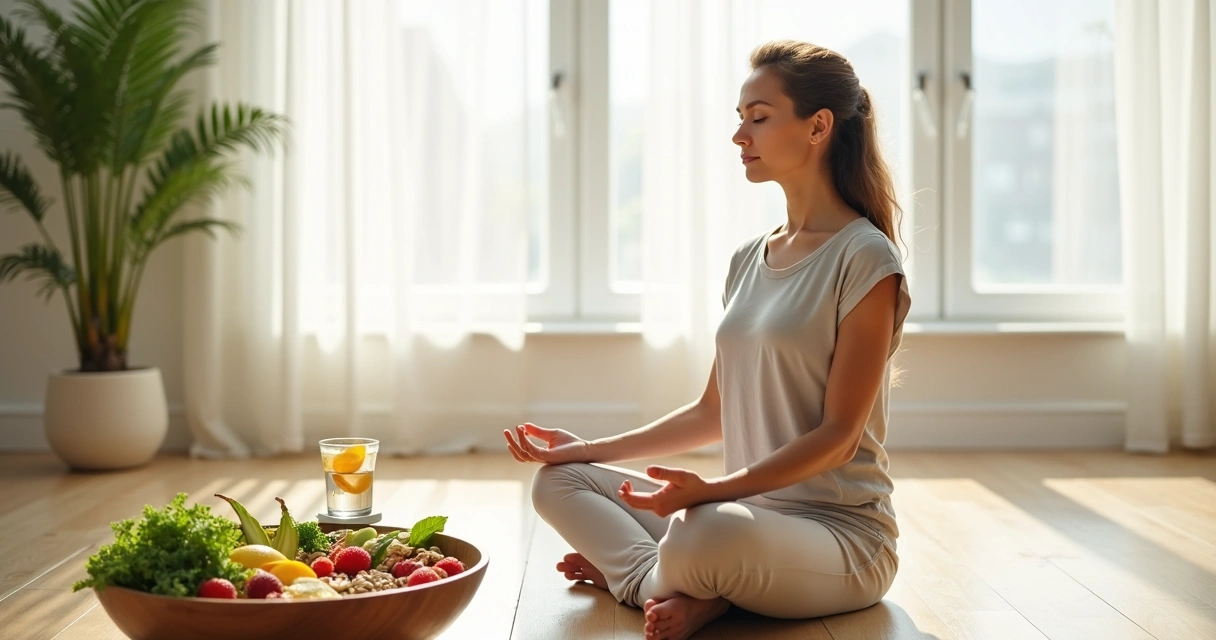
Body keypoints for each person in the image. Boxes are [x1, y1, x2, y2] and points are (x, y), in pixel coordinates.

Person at [504, 39, 910, 640]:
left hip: (840, 538)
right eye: (739, 118)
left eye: (759, 117)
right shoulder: (748, 258)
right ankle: (679, 586)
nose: (739, 135)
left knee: (703, 528)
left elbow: (837, 438)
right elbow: (711, 413)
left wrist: (714, 492)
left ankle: (654, 580)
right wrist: (588, 449)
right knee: (559, 481)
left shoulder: (866, 257)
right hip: (745, 519)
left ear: (818, 126)